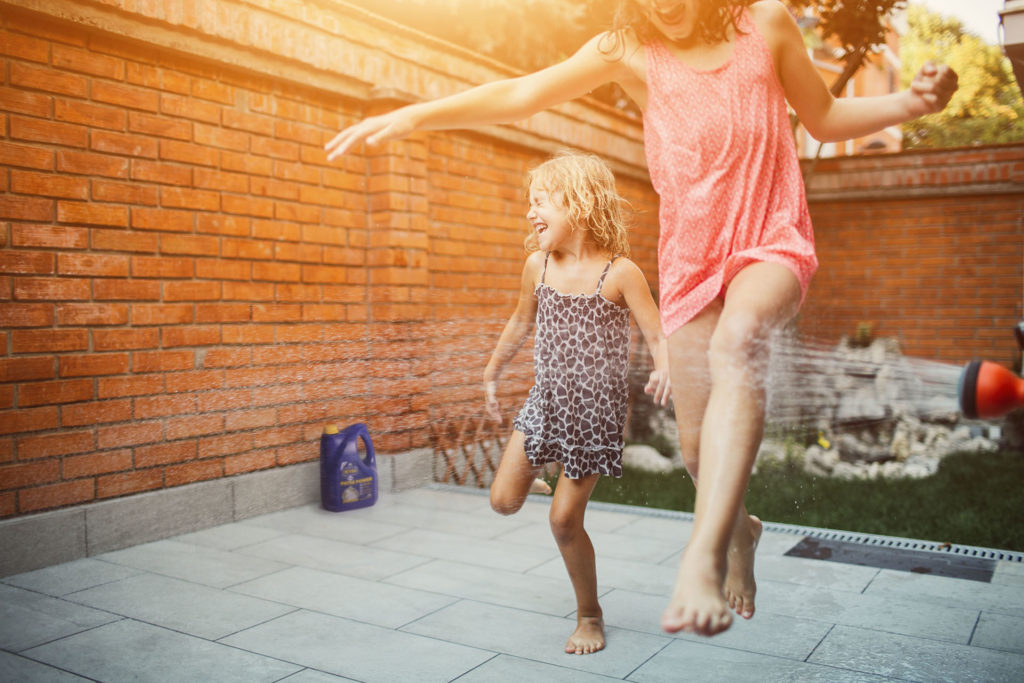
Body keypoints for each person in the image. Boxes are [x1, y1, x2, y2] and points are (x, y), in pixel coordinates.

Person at [325, 0, 959, 637]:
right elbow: (523, 92)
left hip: (771, 240)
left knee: (738, 340)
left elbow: (822, 117)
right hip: (690, 267)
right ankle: (744, 534)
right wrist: (414, 113)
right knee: (692, 452)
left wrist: (914, 104)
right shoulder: (626, 49)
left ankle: (702, 559)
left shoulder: (764, 26)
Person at [483, 150, 670, 655]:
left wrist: (665, 364)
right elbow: (521, 323)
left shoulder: (620, 273)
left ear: (580, 206)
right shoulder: (537, 266)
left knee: (564, 521)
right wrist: (493, 372)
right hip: (545, 401)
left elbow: (656, 331)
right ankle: (541, 473)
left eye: (540, 201)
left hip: (594, 415)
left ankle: (590, 615)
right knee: (502, 501)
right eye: (529, 203)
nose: (530, 213)